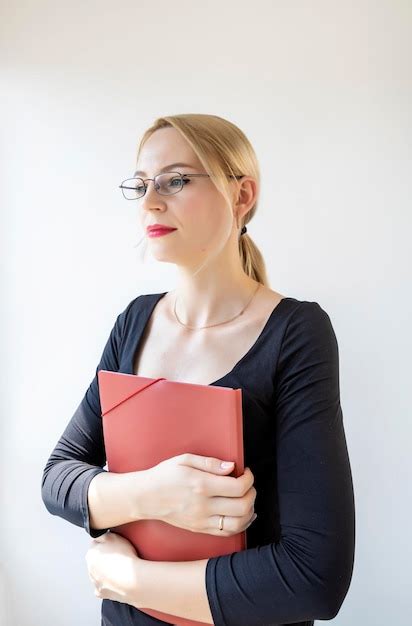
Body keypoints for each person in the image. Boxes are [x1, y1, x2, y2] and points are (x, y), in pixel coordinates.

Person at [41, 113, 355, 626]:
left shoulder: (296, 333)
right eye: (141, 185)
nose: (150, 202)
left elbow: (314, 579)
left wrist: (129, 581)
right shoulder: (135, 321)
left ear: (241, 195)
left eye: (176, 180)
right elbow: (58, 477)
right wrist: (154, 494)